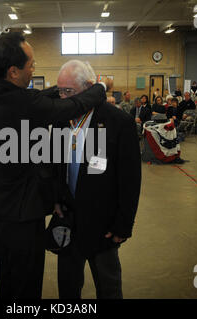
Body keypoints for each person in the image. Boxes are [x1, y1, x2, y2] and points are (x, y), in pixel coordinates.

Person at [0, 32, 110, 299]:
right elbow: (72, 106)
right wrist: (100, 87)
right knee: (26, 285)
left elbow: (39, 99)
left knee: (7, 279)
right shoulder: (23, 103)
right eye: (31, 65)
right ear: (14, 71)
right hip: (22, 213)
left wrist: (60, 89)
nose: (34, 68)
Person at [53, 60, 141, 299]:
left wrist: (123, 225)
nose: (62, 97)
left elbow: (130, 180)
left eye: (68, 91)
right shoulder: (62, 120)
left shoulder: (118, 122)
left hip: (103, 225)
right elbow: (58, 166)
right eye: (59, 91)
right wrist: (57, 198)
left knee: (108, 286)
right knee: (68, 286)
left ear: (90, 87)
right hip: (68, 220)